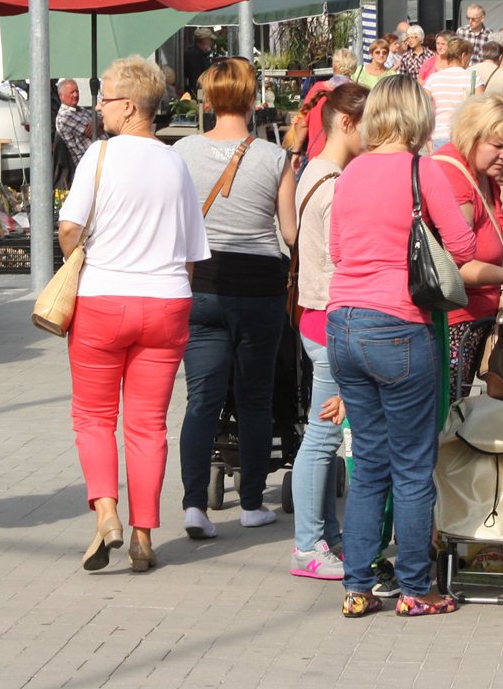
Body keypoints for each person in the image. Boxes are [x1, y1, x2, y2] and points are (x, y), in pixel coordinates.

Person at [327, 75, 478, 618]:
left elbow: (340, 249)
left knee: (369, 464)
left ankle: (357, 584)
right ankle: (417, 587)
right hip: (399, 325)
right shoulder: (423, 170)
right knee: (414, 466)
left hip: (342, 322)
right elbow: (462, 247)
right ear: (418, 117)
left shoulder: (350, 173)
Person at [60, 56, 207, 574]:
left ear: (128, 105)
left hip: (103, 298)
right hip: (167, 302)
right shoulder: (175, 163)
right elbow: (192, 253)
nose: (99, 107)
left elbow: (69, 228)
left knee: (95, 417)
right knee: (148, 425)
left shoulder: (98, 157)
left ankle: (106, 513)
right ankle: (144, 535)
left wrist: (79, 251)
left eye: (104, 99)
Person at [175, 58, 297, 540]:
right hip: (259, 287)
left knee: (201, 398)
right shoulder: (274, 157)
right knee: (254, 396)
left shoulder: (182, 151)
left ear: (207, 100)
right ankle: (251, 504)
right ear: (252, 100)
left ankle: (192, 506)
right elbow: (289, 232)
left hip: (202, 284)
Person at [287, 82, 368, 582]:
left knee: (323, 431)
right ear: (346, 123)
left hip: (312, 314)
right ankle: (307, 544)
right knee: (322, 435)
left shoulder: (313, 171)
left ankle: (325, 537)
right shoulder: (336, 182)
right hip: (328, 315)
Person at [434, 94, 503, 396]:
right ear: (472, 136)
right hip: (453, 324)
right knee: (446, 415)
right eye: (497, 145)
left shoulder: (483, 175)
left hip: (475, 321)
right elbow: (454, 267)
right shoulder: (454, 176)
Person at [425, 36, 478, 146]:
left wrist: (428, 141)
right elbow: (480, 110)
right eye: (469, 58)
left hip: (439, 134)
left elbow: (424, 109)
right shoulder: (474, 78)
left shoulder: (433, 78)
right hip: (464, 134)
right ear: (463, 56)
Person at [55, 78, 95, 167]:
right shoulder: (65, 116)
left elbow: (103, 119)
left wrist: (98, 122)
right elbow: (94, 132)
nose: (76, 95)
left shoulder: (80, 109)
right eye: (72, 92)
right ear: (61, 96)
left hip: (99, 156)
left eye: (77, 91)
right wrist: (99, 123)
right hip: (89, 162)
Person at [182, 30, 217, 97]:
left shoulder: (197, 53)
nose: (211, 42)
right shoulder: (195, 55)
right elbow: (195, 77)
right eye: (210, 39)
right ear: (204, 40)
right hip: (197, 93)